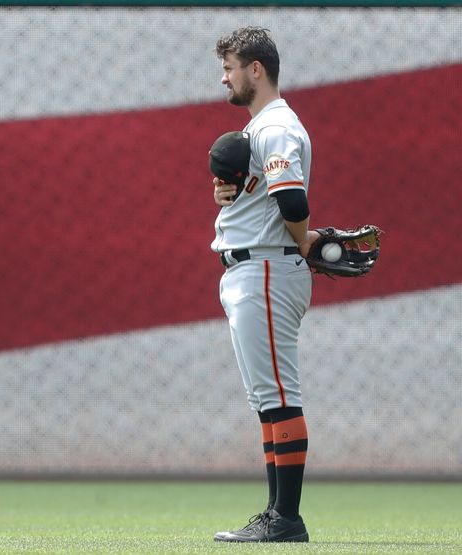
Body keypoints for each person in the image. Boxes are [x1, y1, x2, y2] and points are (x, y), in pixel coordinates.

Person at [210, 27, 320, 543]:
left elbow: (293, 203)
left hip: (269, 267)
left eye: (230, 67)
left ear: (256, 68)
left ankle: (287, 519)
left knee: (279, 395)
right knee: (266, 398)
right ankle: (276, 513)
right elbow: (271, 194)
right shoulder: (261, 129)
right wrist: (234, 191)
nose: (224, 77)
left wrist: (307, 243)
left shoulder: (276, 126)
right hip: (253, 268)